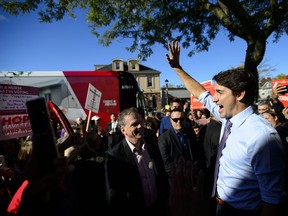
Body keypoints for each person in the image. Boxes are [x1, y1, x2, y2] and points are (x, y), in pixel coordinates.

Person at [165, 40, 286, 216]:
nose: (213, 99)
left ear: (240, 94)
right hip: (218, 205)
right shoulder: (229, 117)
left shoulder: (262, 136)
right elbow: (200, 93)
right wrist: (177, 68)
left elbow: (272, 198)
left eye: (220, 92)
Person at [105, 107, 169, 216]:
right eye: (135, 124)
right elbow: (114, 195)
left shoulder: (152, 144)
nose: (140, 126)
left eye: (141, 122)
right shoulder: (115, 156)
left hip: (158, 208)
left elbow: (161, 174)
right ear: (123, 130)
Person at [158, 108, 205, 177]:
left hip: (192, 176)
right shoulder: (164, 138)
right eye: (175, 120)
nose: (179, 122)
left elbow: (196, 154)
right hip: (176, 178)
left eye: (181, 119)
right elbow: (166, 163)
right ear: (171, 121)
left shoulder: (190, 133)